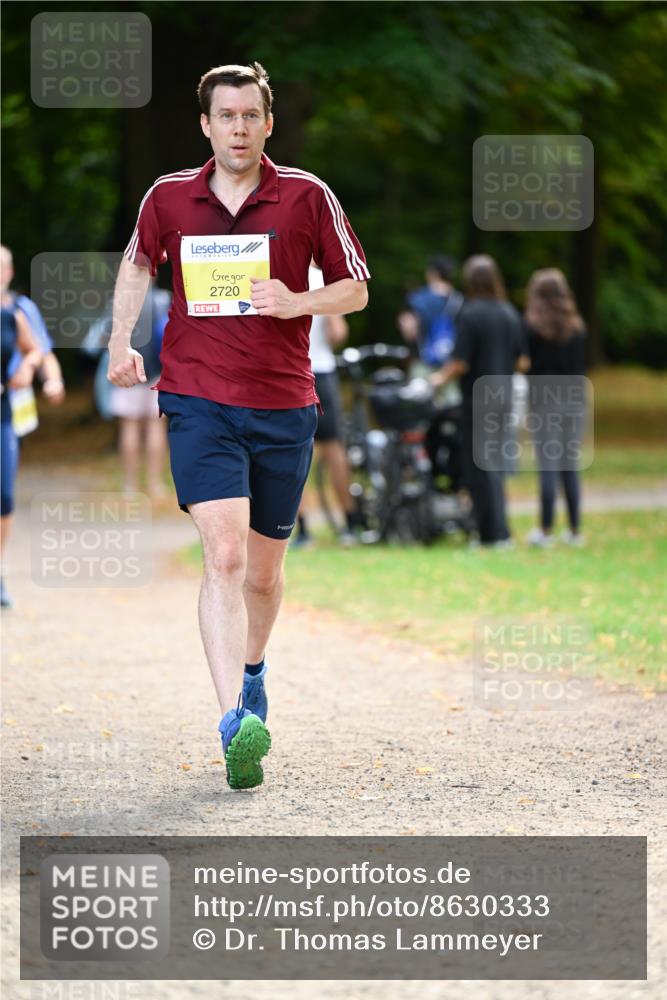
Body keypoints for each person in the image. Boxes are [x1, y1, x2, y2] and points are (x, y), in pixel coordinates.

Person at [107, 62, 369, 789]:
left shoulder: (308, 195)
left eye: (251, 115)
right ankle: (233, 723)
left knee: (262, 573)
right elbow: (137, 265)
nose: (239, 128)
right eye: (226, 116)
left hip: (285, 403)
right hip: (197, 398)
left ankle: (253, 672)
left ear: (268, 123)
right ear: (205, 125)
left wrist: (297, 302)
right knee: (221, 554)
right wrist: (119, 337)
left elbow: (356, 288)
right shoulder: (167, 196)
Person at [431, 255, 529, 547]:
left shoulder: (470, 314)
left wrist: (437, 380)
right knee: (496, 464)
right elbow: (523, 360)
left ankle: (491, 534)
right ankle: (501, 530)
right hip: (505, 396)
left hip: (478, 397)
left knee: (479, 467)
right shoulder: (510, 312)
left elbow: (460, 362)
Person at [293, 263, 357, 547]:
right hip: (323, 371)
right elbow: (337, 334)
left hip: (290, 371)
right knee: (334, 449)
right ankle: (350, 524)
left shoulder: (275, 272)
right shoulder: (325, 279)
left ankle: (301, 528)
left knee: (292, 451)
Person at [523, 268, 587, 547]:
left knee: (548, 464)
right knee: (569, 464)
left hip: (544, 397)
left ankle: (546, 530)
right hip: (574, 396)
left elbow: (525, 364)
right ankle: (574, 530)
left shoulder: (532, 326)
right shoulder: (577, 326)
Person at [1, 280, 43, 608]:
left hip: (3, 415)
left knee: (4, 496)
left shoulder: (11, 314)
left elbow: (34, 350)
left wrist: (27, 368)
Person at [0, 246, 66, 440]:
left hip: (17, 399)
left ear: (9, 272)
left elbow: (43, 352)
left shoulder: (23, 309)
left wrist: (53, 381)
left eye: (1, 267)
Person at [397, 255, 463, 377]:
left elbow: (409, 332)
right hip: (450, 369)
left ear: (432, 273)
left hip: (422, 365)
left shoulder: (417, 299)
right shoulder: (460, 301)